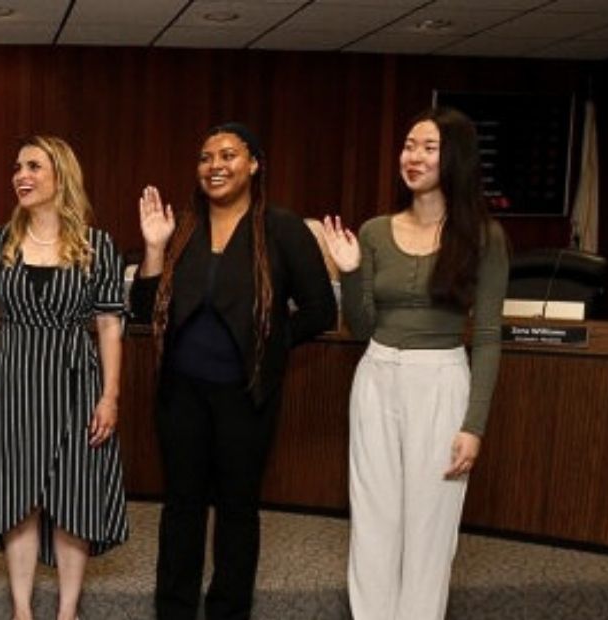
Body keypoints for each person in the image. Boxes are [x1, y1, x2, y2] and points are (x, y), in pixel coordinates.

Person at [130, 122, 336, 620]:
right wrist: (154, 249)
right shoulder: (180, 228)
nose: (215, 166)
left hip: (246, 395)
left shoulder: (282, 229)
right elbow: (143, 308)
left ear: (254, 164)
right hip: (180, 395)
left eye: (227, 155)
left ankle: (227, 610)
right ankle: (174, 609)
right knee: (182, 508)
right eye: (205, 157)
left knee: (237, 510)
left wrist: (267, 344)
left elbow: (320, 311)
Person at [321, 107, 509, 620]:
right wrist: (352, 272)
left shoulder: (484, 237)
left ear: (456, 158)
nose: (413, 156)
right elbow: (361, 328)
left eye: (428, 147)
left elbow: (489, 336)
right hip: (377, 375)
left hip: (442, 381)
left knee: (430, 526)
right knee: (374, 518)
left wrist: (475, 426)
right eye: (408, 145)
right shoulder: (376, 230)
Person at [0, 135, 129, 620]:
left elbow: (111, 326)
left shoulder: (98, 246)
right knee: (18, 493)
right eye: (17, 168)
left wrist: (110, 397)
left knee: (75, 491)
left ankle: (68, 610)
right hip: (14, 382)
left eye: (34, 166)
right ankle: (23, 609)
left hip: (76, 381)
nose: (21, 176)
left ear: (61, 176)